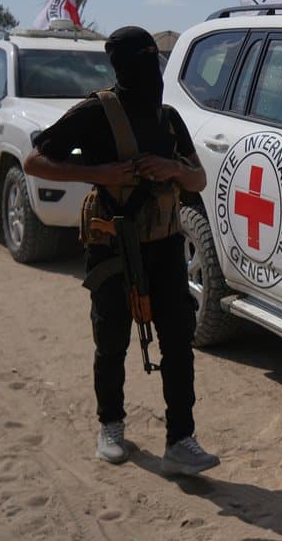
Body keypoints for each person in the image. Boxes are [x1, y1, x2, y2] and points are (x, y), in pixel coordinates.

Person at [22, 26, 219, 475]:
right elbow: (36, 160)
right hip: (112, 243)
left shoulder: (168, 117)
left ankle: (180, 440)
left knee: (178, 342)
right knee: (110, 340)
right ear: (120, 65)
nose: (150, 67)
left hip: (165, 243)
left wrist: (173, 167)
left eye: (154, 58)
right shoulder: (96, 112)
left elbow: (198, 179)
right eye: (140, 59)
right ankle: (110, 425)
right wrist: (102, 172)